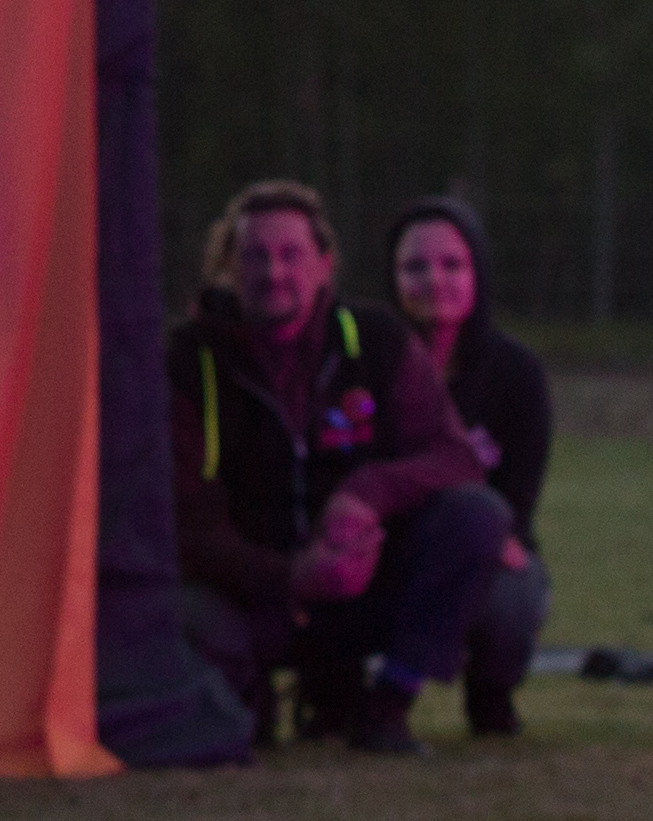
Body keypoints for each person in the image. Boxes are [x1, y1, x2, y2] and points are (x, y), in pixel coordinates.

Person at [166, 181, 515, 754]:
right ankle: (251, 702)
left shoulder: (375, 341)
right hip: (251, 593)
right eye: (254, 256)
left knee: (477, 517)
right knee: (183, 619)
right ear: (226, 267)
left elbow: (456, 458)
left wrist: (368, 493)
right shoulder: (189, 360)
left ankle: (389, 706)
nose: (274, 273)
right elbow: (186, 524)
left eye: (291, 255)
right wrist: (292, 575)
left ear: (325, 265)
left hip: (364, 581)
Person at [387, 196, 552, 735]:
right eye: (415, 266)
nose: (434, 280)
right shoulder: (370, 363)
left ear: (478, 273)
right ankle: (334, 691)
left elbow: (520, 496)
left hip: (482, 543)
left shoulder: (516, 375)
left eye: (452, 264)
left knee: (514, 588)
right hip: (385, 543)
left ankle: (491, 689)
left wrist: (498, 531)